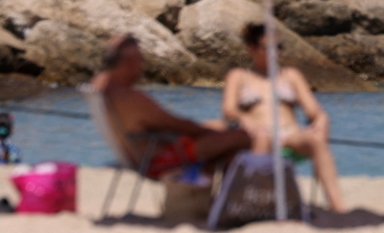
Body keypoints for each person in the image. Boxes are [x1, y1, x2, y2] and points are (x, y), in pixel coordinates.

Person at [221, 23, 346, 213]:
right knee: (261, 140)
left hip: (290, 135)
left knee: (316, 141)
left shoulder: (290, 75)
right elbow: (228, 110)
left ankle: (336, 204)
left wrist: (321, 120)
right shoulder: (239, 76)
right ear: (251, 48)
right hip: (259, 135)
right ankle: (257, 200)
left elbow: (314, 111)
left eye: (278, 47)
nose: (275, 53)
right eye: (268, 48)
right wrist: (243, 117)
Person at [91, 35, 251, 179]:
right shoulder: (130, 98)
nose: (141, 67)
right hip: (161, 159)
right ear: (129, 63)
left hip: (148, 151)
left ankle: (211, 197)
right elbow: (174, 123)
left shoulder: (104, 89)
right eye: (139, 61)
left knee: (219, 128)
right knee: (241, 137)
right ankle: (226, 199)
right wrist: (207, 133)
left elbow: (165, 124)